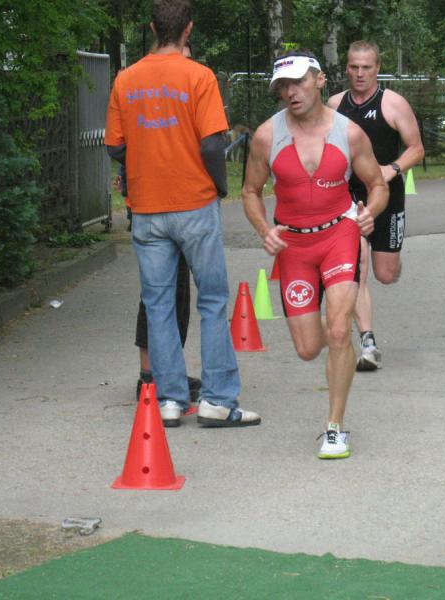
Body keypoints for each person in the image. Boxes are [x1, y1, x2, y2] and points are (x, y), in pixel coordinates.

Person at [105, 0, 260, 428]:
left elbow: (115, 145)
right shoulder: (199, 76)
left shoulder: (126, 79)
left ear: (152, 27)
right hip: (194, 203)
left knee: (158, 304)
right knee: (212, 299)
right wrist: (221, 186)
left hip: (147, 208)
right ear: (188, 29)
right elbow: (212, 143)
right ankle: (217, 400)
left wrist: (141, 162)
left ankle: (170, 400)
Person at [242, 50, 387, 458]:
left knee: (338, 332)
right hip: (294, 245)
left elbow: (378, 185)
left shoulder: (349, 132)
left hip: (340, 234)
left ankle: (334, 427)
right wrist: (264, 230)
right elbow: (250, 191)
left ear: (320, 81)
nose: (292, 92)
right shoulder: (267, 136)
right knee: (307, 348)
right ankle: (339, 332)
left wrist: (370, 213)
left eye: (299, 82)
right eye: (283, 86)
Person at [327, 41, 424, 372]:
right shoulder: (334, 105)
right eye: (354, 67)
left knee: (385, 273)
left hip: (387, 195)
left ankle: (393, 260)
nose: (359, 73)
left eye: (366, 67)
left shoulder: (393, 103)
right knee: (359, 265)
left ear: (377, 68)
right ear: (346, 68)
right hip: (348, 199)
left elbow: (416, 148)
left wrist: (392, 169)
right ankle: (368, 341)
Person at [125, 41, 200, 403]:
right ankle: (151, 375)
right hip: (159, 202)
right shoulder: (143, 89)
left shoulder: (182, 91)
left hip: (176, 199)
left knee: (173, 290)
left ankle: (163, 372)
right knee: (157, 292)